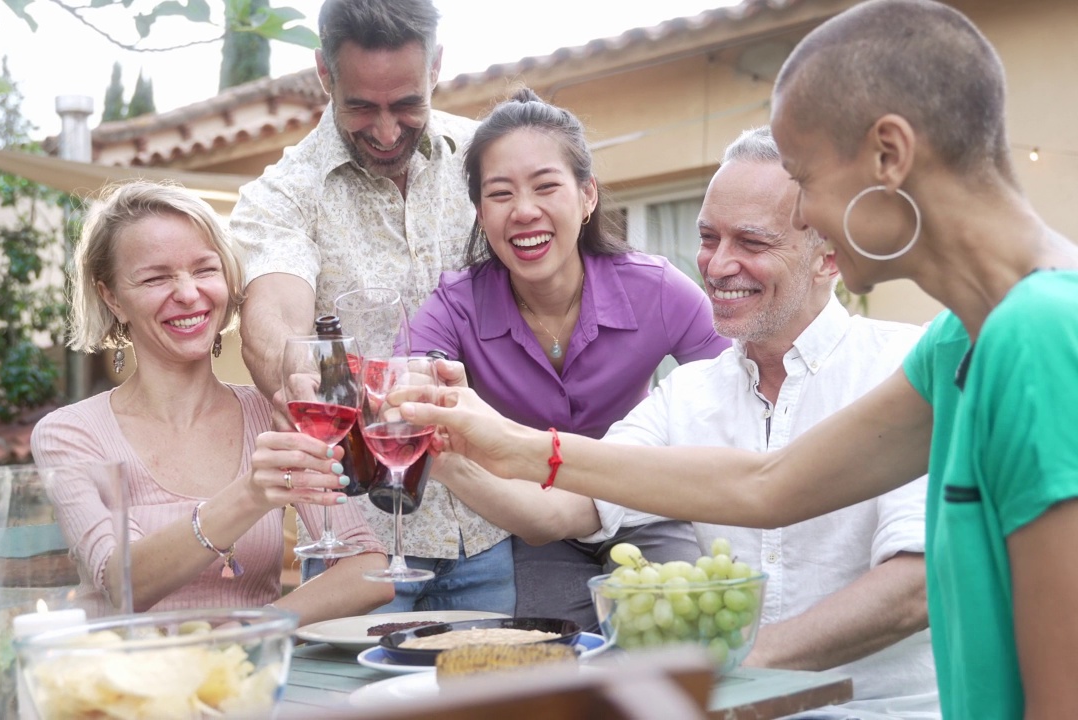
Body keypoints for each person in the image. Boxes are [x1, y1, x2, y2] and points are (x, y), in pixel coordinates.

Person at [402, 1, 1078, 717]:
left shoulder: (1039, 334)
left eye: (806, 177)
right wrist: (500, 442)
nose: (808, 213)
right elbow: (771, 483)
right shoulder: (962, 339)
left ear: (890, 156)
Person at [230, 0, 514, 613]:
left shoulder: (489, 160)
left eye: (407, 105)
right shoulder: (281, 195)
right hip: (356, 549)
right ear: (325, 76)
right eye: (362, 107)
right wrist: (295, 369)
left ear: (436, 67)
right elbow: (272, 314)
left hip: (494, 527)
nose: (387, 132)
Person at [408, 88, 729, 630]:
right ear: (481, 213)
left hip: (643, 504)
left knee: (680, 628)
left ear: (587, 197)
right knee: (550, 649)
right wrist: (433, 387)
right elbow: (413, 377)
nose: (524, 211)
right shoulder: (454, 305)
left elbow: (735, 389)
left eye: (546, 186)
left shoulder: (658, 290)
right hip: (538, 521)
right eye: (500, 193)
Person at [31, 181, 393, 622]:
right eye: (155, 277)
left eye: (205, 269)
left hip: (247, 676)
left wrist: (254, 630)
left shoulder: (272, 415)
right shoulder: (70, 434)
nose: (187, 293)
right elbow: (123, 585)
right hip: (125, 680)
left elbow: (369, 569)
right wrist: (251, 494)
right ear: (112, 298)